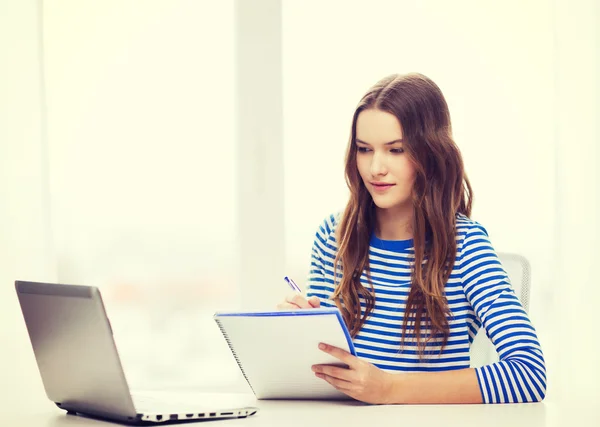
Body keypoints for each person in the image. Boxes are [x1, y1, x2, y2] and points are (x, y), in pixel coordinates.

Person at [277, 73, 546, 404]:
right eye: (364, 149)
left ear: (430, 154)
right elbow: (326, 371)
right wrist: (295, 333)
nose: (376, 167)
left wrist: (389, 389)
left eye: (396, 150)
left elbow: (529, 374)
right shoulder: (333, 235)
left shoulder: (465, 245)